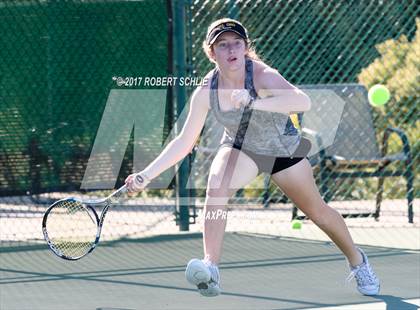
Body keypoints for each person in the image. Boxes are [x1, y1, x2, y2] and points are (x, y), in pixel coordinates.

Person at [125, 18, 380, 297]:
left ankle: (358, 261)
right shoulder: (206, 90)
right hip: (240, 148)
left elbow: (301, 101)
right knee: (217, 181)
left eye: (237, 43)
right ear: (211, 53)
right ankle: (211, 267)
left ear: (246, 47)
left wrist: (253, 102)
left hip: (282, 151)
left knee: (318, 213)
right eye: (222, 45)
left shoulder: (262, 75)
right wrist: (146, 175)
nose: (231, 49)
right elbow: (184, 141)